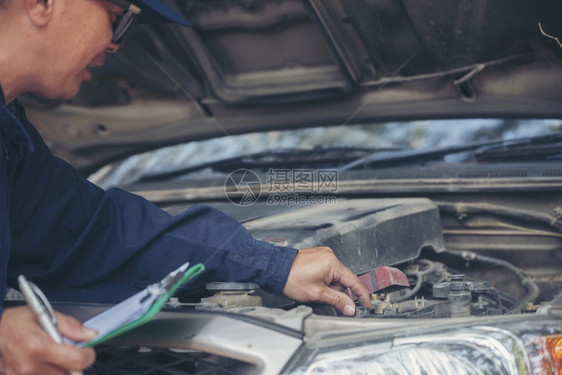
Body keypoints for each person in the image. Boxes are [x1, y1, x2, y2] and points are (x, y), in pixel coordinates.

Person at [0, 0, 370, 373]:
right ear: (42, 3)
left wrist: (273, 265)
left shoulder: (11, 144)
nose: (114, 43)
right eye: (117, 17)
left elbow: (90, 232)